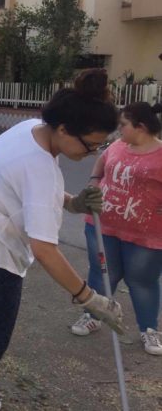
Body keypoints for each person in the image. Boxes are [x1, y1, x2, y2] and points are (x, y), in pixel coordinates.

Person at [0, 69, 123, 411]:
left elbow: (25, 189)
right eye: (91, 145)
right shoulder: (38, 165)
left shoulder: (30, 129)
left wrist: (71, 202)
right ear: (65, 129)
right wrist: (89, 298)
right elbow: (45, 251)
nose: (93, 153)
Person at [70, 101, 162, 356]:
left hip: (146, 235)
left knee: (142, 280)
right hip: (102, 226)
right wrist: (93, 184)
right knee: (102, 275)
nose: (119, 130)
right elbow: (99, 169)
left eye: (123, 125)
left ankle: (149, 330)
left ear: (140, 127)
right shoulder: (117, 147)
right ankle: (93, 315)